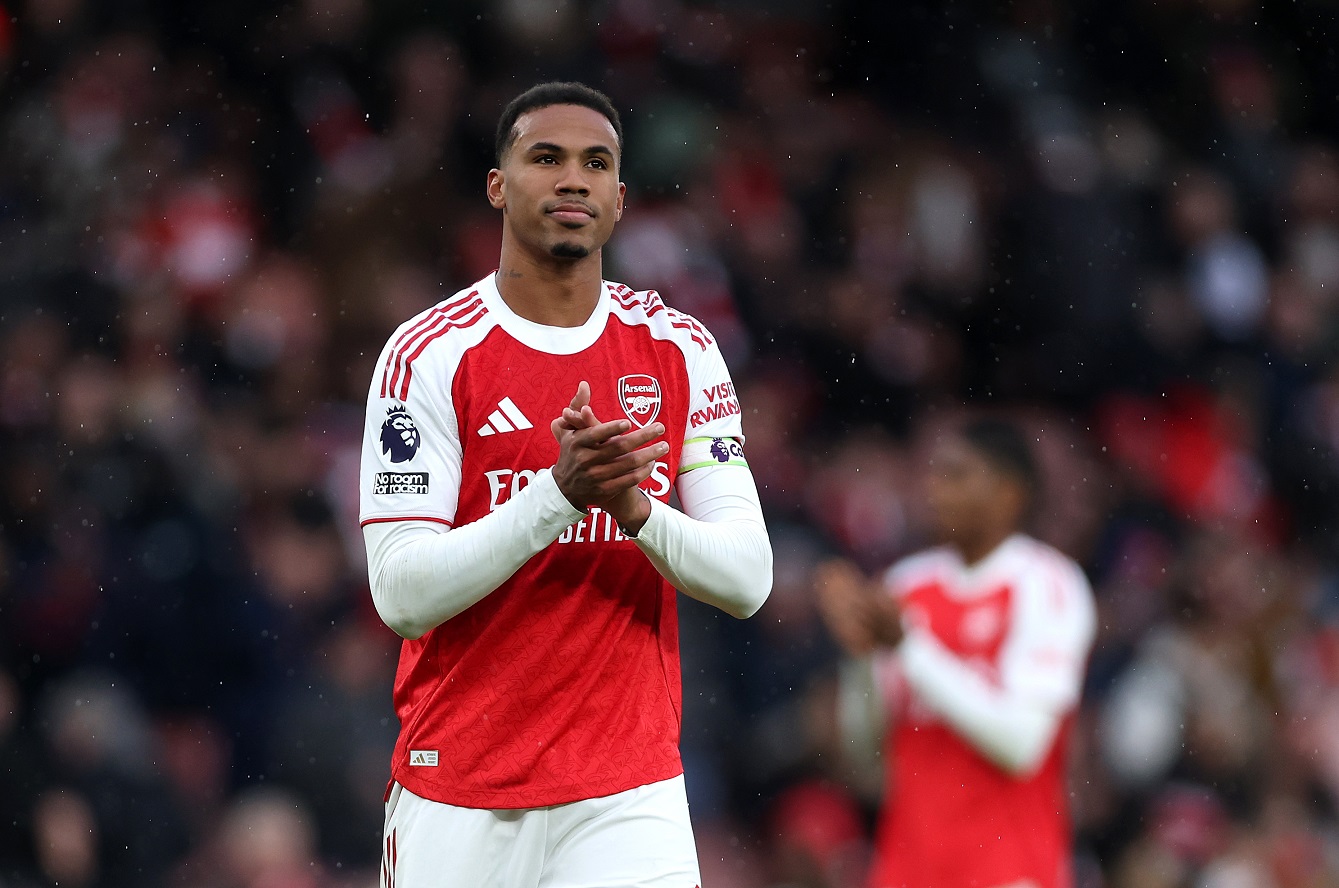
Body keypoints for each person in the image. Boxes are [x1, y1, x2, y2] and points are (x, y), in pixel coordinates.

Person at [358, 81, 773, 888]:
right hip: (460, 786)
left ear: (620, 200)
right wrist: (558, 496)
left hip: (627, 792)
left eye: (595, 164)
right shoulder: (431, 353)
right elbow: (401, 592)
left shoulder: (678, 349)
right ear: (497, 185)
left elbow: (747, 578)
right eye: (545, 159)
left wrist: (633, 508)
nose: (571, 180)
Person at [817, 417, 1096, 888]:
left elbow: (1021, 744)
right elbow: (864, 747)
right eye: (933, 473)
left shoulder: (1047, 584)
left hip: (1010, 871)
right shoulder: (907, 584)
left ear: (1010, 492)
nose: (934, 488)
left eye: (956, 474)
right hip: (906, 869)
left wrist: (907, 646)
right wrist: (859, 653)